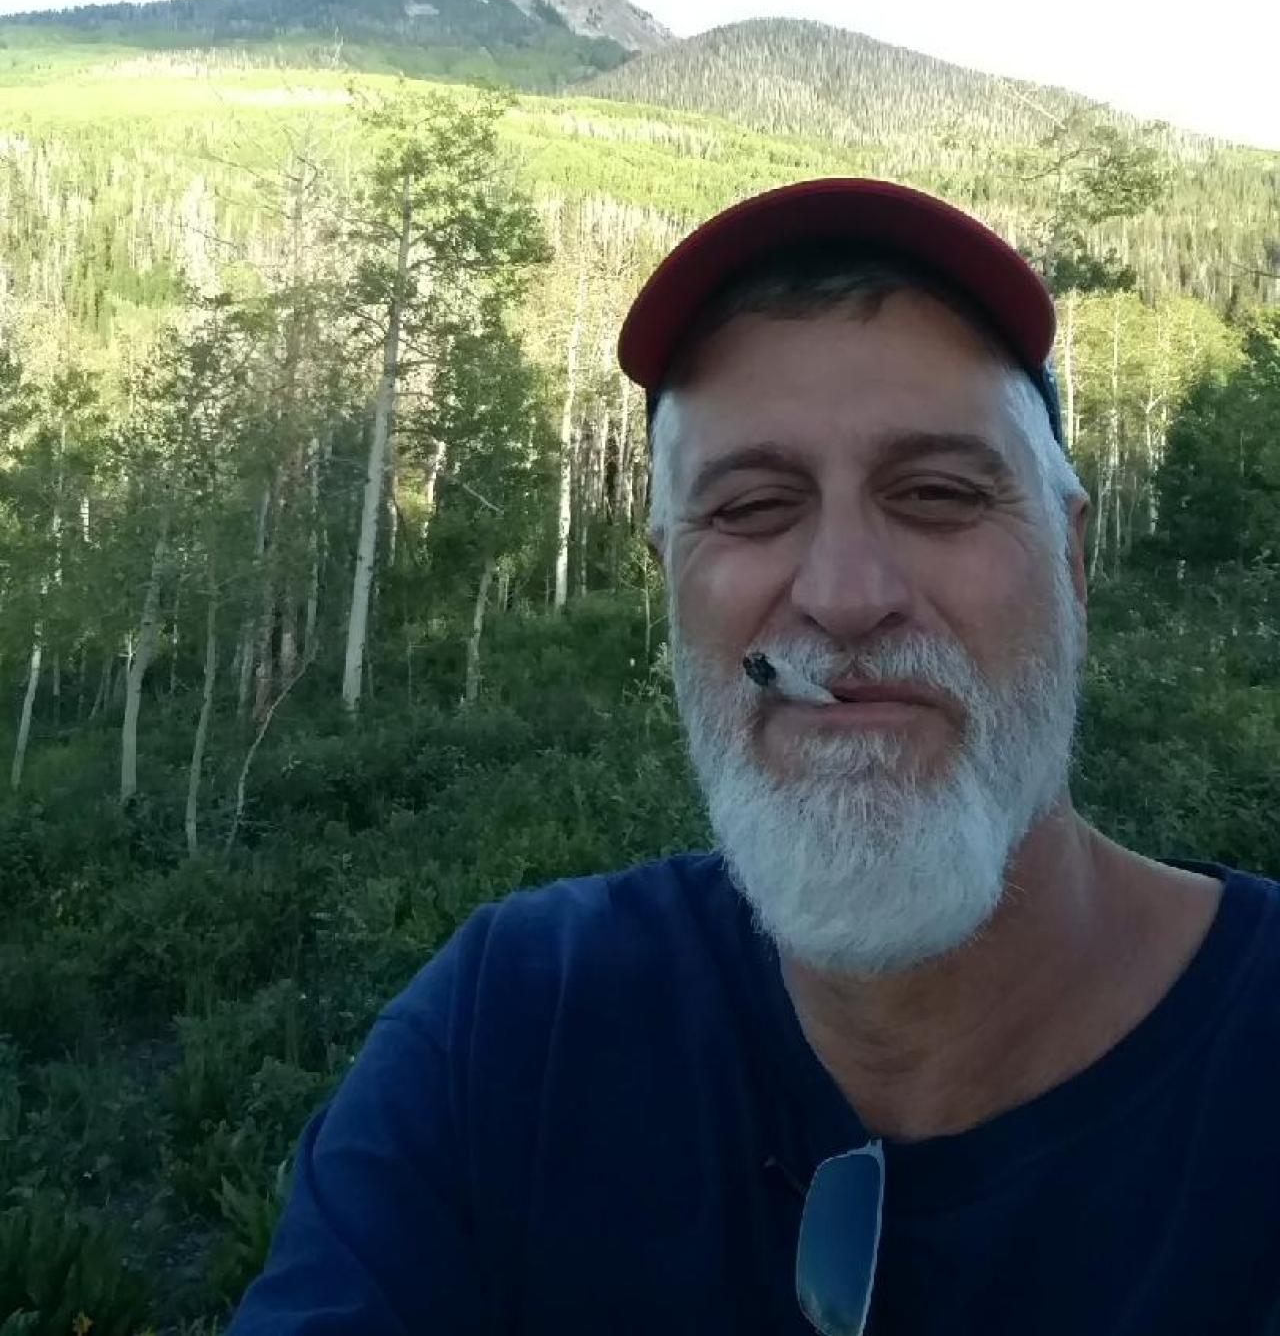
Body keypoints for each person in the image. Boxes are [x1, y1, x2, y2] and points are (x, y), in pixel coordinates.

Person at [229, 178, 1280, 1334]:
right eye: (748, 508)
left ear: (1070, 562)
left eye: (936, 495)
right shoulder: (513, 1030)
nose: (843, 596)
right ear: (670, 580)